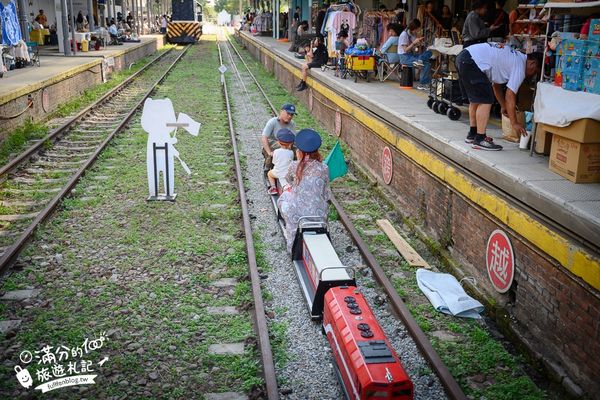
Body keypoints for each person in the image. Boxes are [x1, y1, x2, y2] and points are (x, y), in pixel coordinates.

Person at [456, 43, 542, 151]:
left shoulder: (516, 58)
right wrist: (514, 122)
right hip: (473, 61)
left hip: (464, 57)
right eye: (535, 72)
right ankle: (480, 139)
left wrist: (503, 106)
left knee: (476, 100)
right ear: (533, 64)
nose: (532, 75)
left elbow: (496, 86)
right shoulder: (520, 65)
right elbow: (510, 95)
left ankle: (472, 135)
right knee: (485, 101)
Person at [277, 129, 331, 252]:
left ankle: (292, 244)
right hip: (319, 215)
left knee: (284, 197)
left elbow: (289, 181)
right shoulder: (324, 168)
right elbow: (327, 194)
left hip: (299, 215)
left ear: (299, 151)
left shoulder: (294, 166)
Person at [398, 19, 432, 90]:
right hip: (404, 57)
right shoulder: (404, 35)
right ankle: (422, 84)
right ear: (414, 28)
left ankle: (420, 59)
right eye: (417, 30)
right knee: (425, 64)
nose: (417, 31)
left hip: (411, 55)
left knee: (430, 53)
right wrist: (414, 43)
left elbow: (413, 47)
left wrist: (419, 43)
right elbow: (405, 50)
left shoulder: (412, 34)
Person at [267, 129, 295, 194]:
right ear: (290, 143)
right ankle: (286, 186)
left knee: (269, 174)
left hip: (277, 172)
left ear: (278, 142)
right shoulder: (291, 152)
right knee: (283, 177)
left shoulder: (276, 152)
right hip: (288, 173)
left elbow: (274, 162)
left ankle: (273, 188)